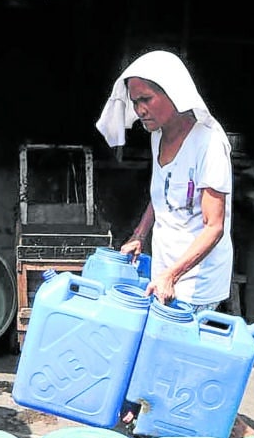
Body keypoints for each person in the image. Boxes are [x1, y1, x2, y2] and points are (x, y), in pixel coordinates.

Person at [95, 51, 234, 310]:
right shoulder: (157, 135)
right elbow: (163, 195)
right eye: (135, 102)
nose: (139, 110)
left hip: (195, 283)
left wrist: (172, 275)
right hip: (163, 275)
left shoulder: (209, 143)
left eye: (146, 99)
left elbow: (214, 227)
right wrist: (139, 235)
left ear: (174, 92)